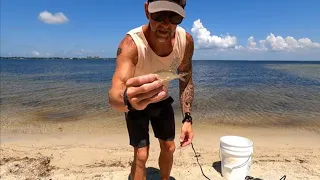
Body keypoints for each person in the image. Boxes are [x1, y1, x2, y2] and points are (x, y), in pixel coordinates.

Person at [108, 0, 194, 179]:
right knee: (141, 155)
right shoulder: (131, 43)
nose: (165, 23)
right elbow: (115, 93)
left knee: (169, 147)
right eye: (159, 15)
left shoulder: (185, 41)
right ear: (147, 10)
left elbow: (185, 78)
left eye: (174, 17)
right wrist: (127, 100)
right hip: (135, 101)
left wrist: (187, 118)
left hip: (162, 101)